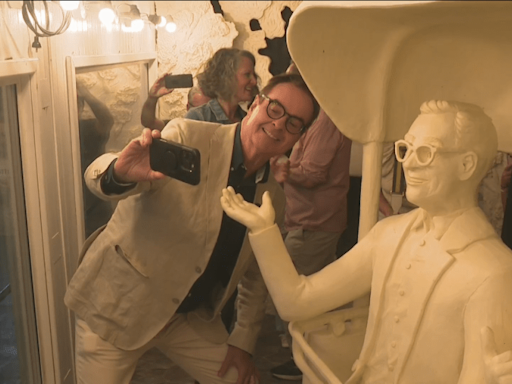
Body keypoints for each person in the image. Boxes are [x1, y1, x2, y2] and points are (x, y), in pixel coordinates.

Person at [221, 100, 512, 383]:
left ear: (466, 164)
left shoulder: (493, 271)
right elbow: (297, 301)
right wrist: (264, 231)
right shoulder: (390, 234)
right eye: (405, 148)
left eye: (425, 152)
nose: (408, 162)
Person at [64, 73, 320, 384]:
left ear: (300, 136)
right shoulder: (188, 135)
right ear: (254, 105)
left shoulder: (272, 196)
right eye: (275, 108)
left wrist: (243, 342)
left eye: (295, 122)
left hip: (188, 319)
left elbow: (256, 273)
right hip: (119, 303)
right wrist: (118, 173)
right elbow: (102, 177)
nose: (280, 124)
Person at [269, 76, 352, 380]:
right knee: (316, 296)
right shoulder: (320, 116)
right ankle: (311, 358)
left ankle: (301, 360)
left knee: (296, 296)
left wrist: (280, 168)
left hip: (314, 223)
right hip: (311, 220)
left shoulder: (328, 118)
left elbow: (313, 175)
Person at [76, 78, 115, 237]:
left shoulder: (87, 128)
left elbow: (107, 121)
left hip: (96, 207)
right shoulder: (51, 131)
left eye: (78, 103)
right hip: (69, 205)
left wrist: (86, 94)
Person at [185, 48, 258, 125]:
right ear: (227, 77)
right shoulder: (198, 117)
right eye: (247, 74)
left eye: (254, 75)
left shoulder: (247, 121)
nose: (254, 81)